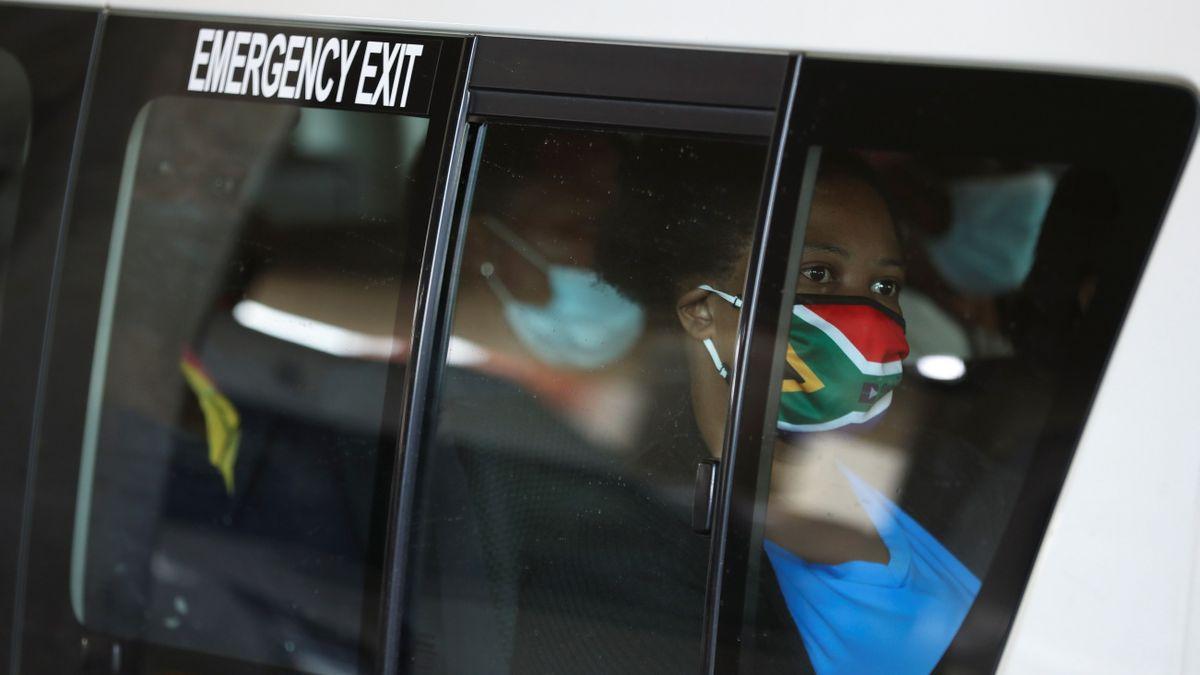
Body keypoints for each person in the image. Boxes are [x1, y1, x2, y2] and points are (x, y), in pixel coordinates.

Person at [597, 148, 980, 674]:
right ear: (704, 312)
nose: (867, 315)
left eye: (885, 286)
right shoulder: (653, 564)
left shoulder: (944, 479)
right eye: (819, 273)